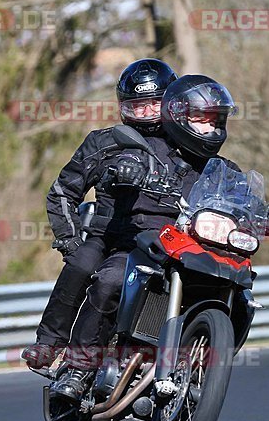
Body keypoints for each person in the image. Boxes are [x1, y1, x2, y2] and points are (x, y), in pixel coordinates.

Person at [51, 75, 269, 401]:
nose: (210, 129)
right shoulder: (147, 150)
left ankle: (197, 366)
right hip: (147, 246)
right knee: (113, 278)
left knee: (242, 295)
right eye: (202, 120)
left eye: (216, 122)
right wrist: (125, 175)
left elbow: (243, 206)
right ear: (179, 116)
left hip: (195, 251)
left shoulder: (223, 169)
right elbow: (117, 170)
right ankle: (79, 368)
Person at [21, 58, 178, 369]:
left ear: (170, 102)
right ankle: (50, 345)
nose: (145, 113)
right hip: (108, 236)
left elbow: (218, 184)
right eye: (137, 106)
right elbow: (63, 192)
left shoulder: (187, 143)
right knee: (82, 265)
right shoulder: (102, 142)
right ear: (124, 107)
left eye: (153, 104)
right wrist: (69, 240)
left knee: (112, 279)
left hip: (166, 240)